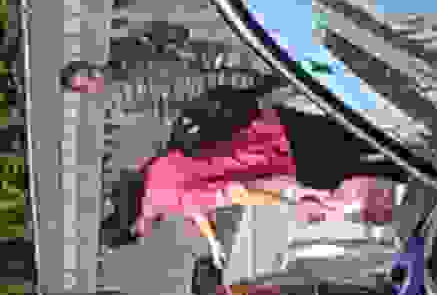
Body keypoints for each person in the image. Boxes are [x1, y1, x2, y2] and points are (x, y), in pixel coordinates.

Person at [96, 90, 402, 257]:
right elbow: (197, 203)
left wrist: (291, 203)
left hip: (282, 155)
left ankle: (419, 166)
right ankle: (416, 132)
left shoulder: (169, 202)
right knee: (359, 132)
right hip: (271, 123)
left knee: (371, 164)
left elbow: (237, 193)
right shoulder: (154, 170)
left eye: (140, 236)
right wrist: (213, 241)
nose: (147, 234)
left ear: (135, 228)